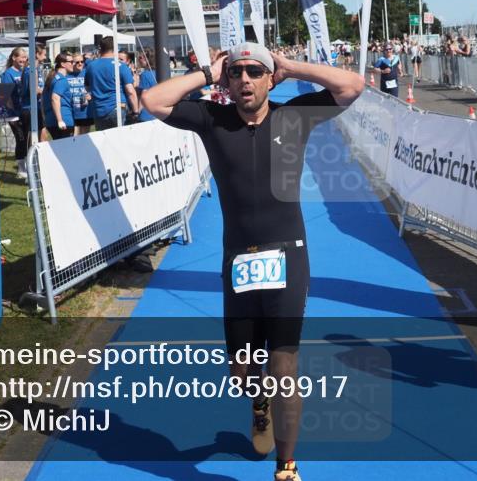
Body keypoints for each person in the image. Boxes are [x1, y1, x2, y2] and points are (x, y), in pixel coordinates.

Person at [142, 42, 363, 481]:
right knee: (243, 372)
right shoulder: (212, 118)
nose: (245, 79)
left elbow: (353, 85)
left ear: (269, 79)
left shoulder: (294, 115)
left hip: (289, 256)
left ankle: (287, 466)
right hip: (239, 258)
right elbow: (153, 100)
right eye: (237, 72)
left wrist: (289, 66)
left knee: (284, 366)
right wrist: (208, 73)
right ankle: (258, 406)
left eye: (255, 72)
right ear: (227, 80)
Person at [83, 36, 139, 130]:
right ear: (115, 48)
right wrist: (136, 111)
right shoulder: (121, 66)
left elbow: (87, 87)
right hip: (117, 108)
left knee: (104, 142)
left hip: (99, 110)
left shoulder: (91, 66)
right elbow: (130, 91)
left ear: (100, 48)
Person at [1, 46, 29, 178]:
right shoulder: (8, 74)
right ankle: (21, 168)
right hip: (14, 113)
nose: (24, 59)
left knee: (26, 137)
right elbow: (6, 97)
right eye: (22, 57)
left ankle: (27, 165)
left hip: (24, 111)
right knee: (20, 138)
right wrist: (15, 113)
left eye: (25, 57)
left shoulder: (23, 72)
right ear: (14, 58)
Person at [19, 44, 49, 143]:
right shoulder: (31, 70)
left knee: (43, 136)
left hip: (36, 107)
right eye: (44, 54)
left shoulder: (36, 69)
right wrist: (48, 90)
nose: (45, 57)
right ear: (37, 54)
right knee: (34, 139)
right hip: (29, 108)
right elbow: (34, 91)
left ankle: (41, 157)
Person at [43, 53, 75, 140]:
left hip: (51, 120)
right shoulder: (61, 80)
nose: (73, 64)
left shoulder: (52, 78)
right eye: (71, 62)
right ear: (63, 64)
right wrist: (60, 120)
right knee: (66, 151)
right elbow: (55, 98)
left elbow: (44, 100)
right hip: (63, 120)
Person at [69, 54, 92, 135]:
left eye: (82, 61)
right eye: (77, 62)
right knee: (74, 138)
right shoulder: (67, 74)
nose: (80, 63)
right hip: (71, 111)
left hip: (85, 112)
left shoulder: (87, 73)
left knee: (85, 137)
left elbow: (96, 86)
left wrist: (90, 94)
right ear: (72, 63)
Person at [136, 48, 159, 121]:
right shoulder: (160, 73)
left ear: (147, 59)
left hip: (147, 113)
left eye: (140, 58)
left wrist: (138, 111)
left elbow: (144, 94)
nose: (138, 60)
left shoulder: (145, 74)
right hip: (158, 112)